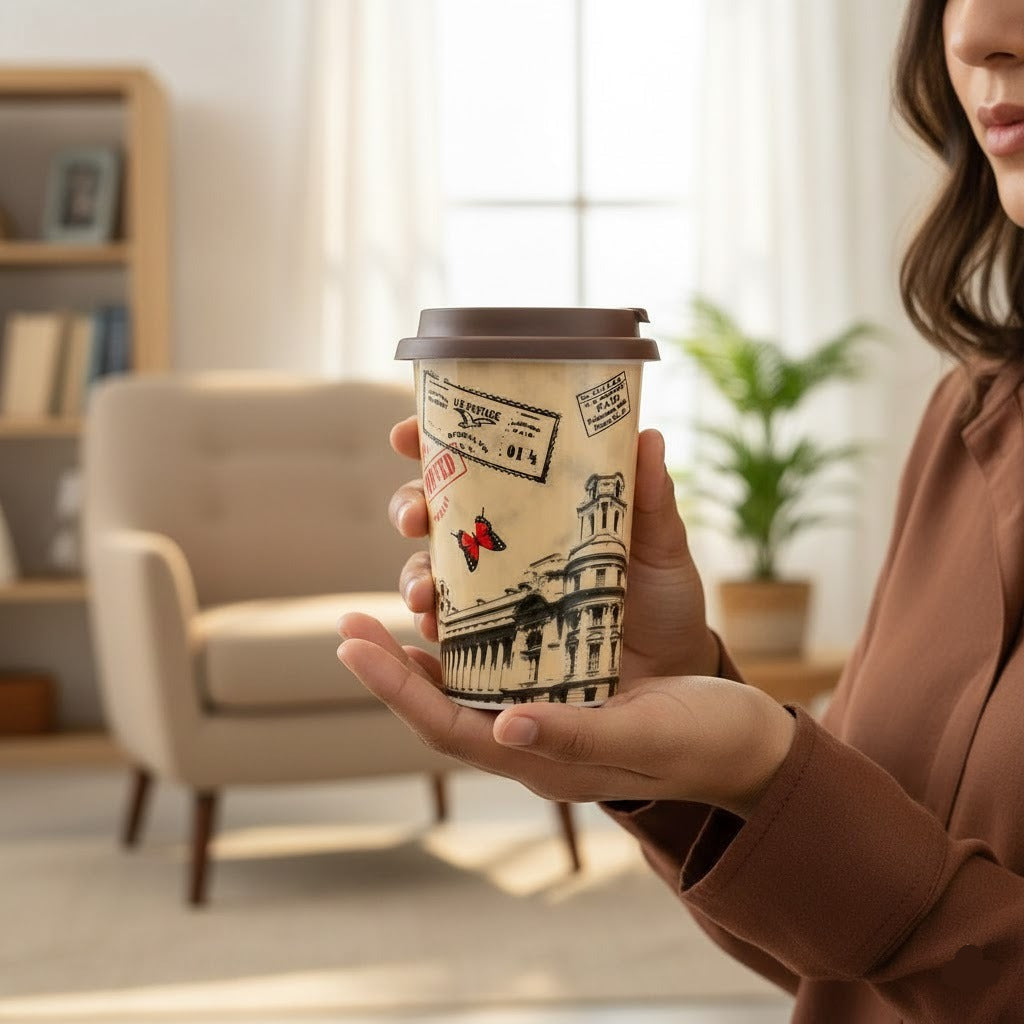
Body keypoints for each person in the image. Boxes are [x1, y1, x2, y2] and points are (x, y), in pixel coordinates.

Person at [337, 0, 1024, 1018]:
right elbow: (851, 968)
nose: (971, 33)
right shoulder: (972, 413)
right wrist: (690, 724)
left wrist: (766, 770)